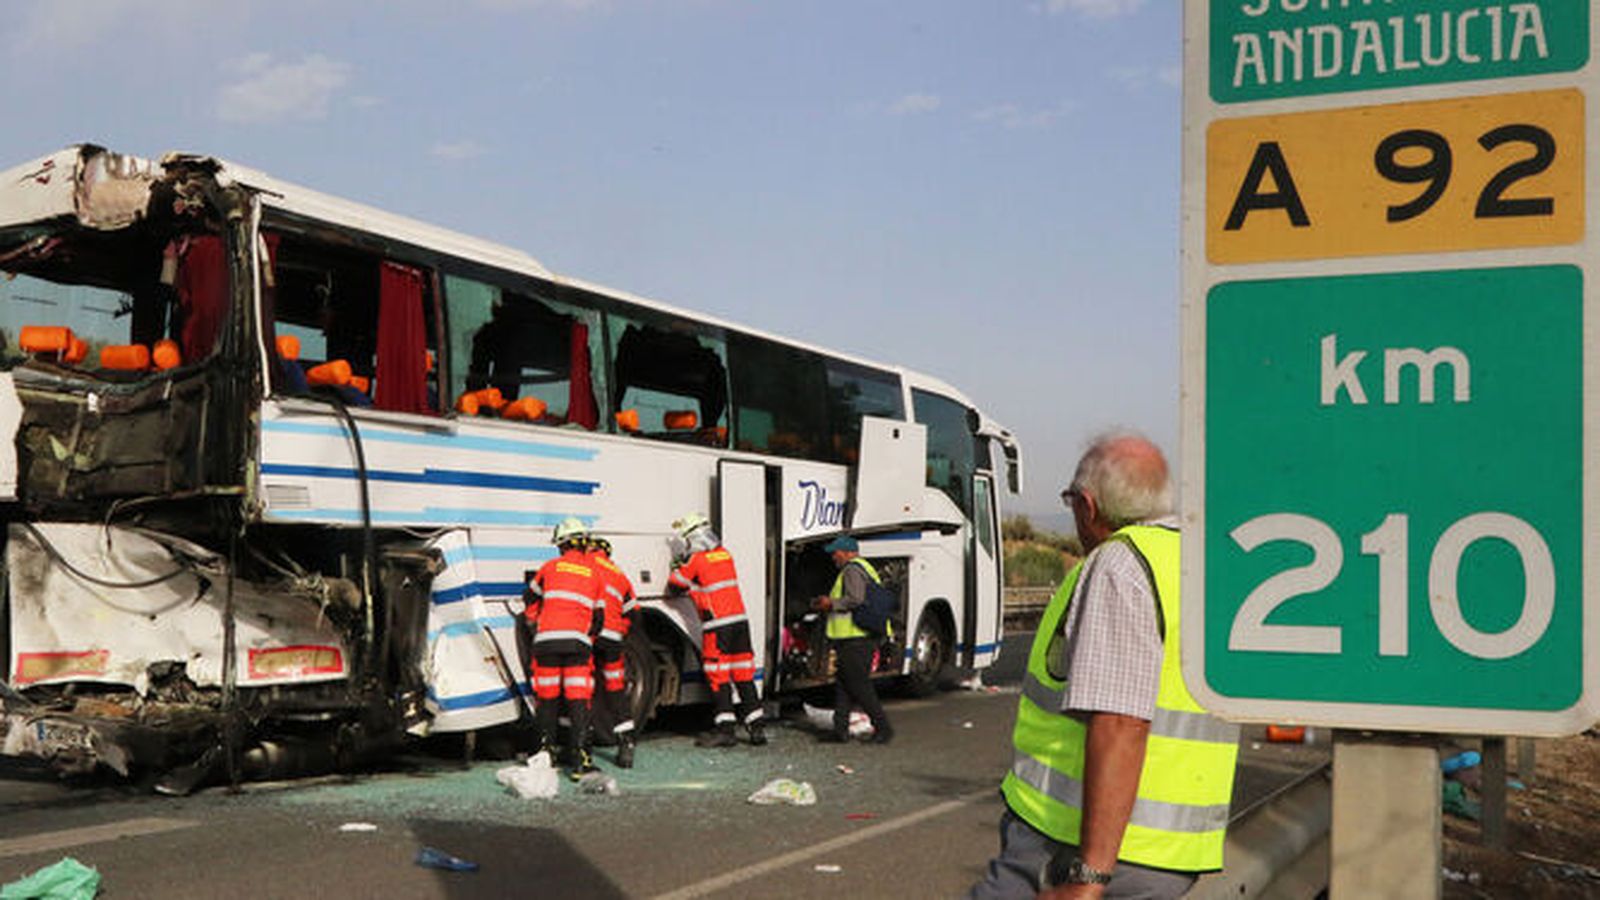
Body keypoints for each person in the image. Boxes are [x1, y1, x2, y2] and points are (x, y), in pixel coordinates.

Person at [969, 432, 1240, 899]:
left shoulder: (1121, 563)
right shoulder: (1199, 562)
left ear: (1087, 505)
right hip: (1171, 852)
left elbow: (1119, 723)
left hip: (1072, 844)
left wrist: (1090, 874)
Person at [667, 513, 767, 748]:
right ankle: (757, 728)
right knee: (744, 675)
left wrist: (680, 568)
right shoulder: (725, 555)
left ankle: (726, 731)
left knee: (718, 677)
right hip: (740, 623)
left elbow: (674, 586)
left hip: (717, 626)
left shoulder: (697, 560)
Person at [525, 517, 606, 780]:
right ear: (584, 544)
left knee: (547, 700)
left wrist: (535, 622)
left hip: (546, 642)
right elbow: (599, 620)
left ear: (561, 545)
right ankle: (580, 761)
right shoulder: (595, 573)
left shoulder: (549, 567)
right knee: (578, 700)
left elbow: (531, 597)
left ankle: (542, 755)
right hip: (577, 646)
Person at [811, 535, 893, 745]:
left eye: (836, 553)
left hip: (856, 638)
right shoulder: (863, 567)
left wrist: (830, 603)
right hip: (856, 638)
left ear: (848, 552)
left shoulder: (852, 570)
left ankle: (883, 728)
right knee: (844, 685)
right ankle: (840, 730)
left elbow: (855, 599)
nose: (833, 557)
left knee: (859, 685)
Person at [587, 535, 640, 768]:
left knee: (582, 689)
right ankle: (626, 744)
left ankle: (580, 746)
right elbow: (634, 614)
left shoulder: (585, 565)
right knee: (616, 689)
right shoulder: (620, 575)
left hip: (590, 634)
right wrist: (619, 632)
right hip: (613, 639)